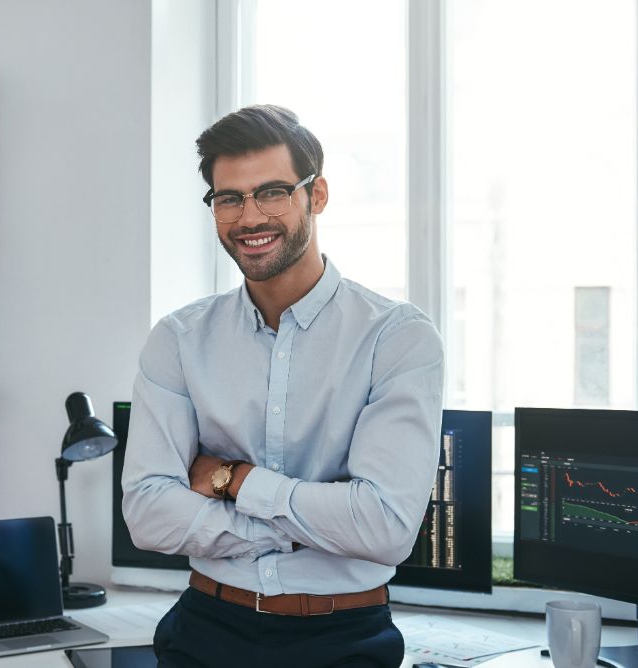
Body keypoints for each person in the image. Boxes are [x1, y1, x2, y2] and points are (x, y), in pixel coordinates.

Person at [121, 105, 445, 668]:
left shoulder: (396, 337)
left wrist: (233, 479)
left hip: (344, 638)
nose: (250, 217)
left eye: (271, 192)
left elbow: (387, 527)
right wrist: (297, 528)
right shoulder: (178, 339)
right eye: (230, 198)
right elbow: (147, 511)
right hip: (205, 628)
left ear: (315, 196)